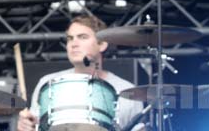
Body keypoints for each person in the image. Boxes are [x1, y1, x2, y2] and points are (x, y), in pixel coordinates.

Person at [17, 15, 145, 131]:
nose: (74, 44)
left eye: (83, 37)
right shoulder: (48, 84)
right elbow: (34, 126)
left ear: (102, 44)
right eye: (70, 38)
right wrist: (25, 127)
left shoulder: (128, 91)